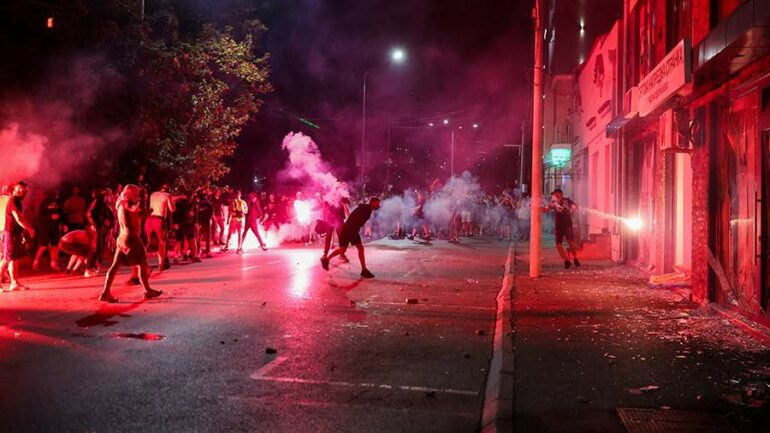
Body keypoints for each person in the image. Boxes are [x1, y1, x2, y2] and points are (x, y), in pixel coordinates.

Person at [98, 184, 162, 303]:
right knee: (142, 263)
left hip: (122, 238)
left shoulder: (120, 203)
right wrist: (142, 206)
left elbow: (137, 215)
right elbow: (133, 209)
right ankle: (147, 291)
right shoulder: (126, 203)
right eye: (136, 194)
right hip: (131, 238)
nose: (137, 196)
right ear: (128, 193)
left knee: (115, 265)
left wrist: (145, 213)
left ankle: (105, 292)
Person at [321, 197, 380, 278]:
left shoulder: (367, 209)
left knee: (360, 248)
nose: (378, 205)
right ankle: (326, 259)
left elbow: (357, 217)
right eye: (377, 203)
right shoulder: (365, 209)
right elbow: (356, 218)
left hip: (353, 230)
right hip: (348, 230)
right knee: (343, 250)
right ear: (372, 203)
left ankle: (364, 270)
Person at [0, 182, 35, 291]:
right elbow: (18, 218)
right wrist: (30, 229)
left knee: (13, 259)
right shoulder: (13, 201)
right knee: (7, 258)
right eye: (19, 188)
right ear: (13, 189)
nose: (22, 190)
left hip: (15, 233)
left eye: (24, 189)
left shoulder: (18, 202)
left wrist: (22, 233)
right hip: (9, 232)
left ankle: (14, 283)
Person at [545, 188, 580, 268]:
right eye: (554, 194)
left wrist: (574, 207)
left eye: (555, 194)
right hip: (560, 226)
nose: (554, 196)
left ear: (559, 194)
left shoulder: (567, 201)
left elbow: (574, 207)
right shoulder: (554, 203)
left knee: (570, 242)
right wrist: (537, 208)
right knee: (559, 244)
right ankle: (567, 260)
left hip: (567, 225)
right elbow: (546, 209)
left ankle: (575, 258)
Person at [145, 183, 174, 270]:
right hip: (159, 220)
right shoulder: (167, 195)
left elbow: (151, 206)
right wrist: (174, 203)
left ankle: (144, 264)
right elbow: (171, 209)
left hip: (149, 220)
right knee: (162, 242)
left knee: (149, 242)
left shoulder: (153, 194)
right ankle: (161, 264)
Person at [33, 190, 63, 271]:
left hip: (55, 227)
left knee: (54, 245)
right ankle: (36, 262)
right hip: (45, 227)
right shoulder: (44, 203)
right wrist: (50, 217)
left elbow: (62, 213)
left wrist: (60, 219)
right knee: (43, 246)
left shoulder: (58, 203)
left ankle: (53, 263)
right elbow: (40, 216)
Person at [194, 190, 214, 258]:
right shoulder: (200, 204)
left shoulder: (201, 204)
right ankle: (203, 252)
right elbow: (211, 213)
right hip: (202, 222)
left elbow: (211, 213)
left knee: (201, 238)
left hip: (203, 222)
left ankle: (203, 251)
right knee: (202, 238)